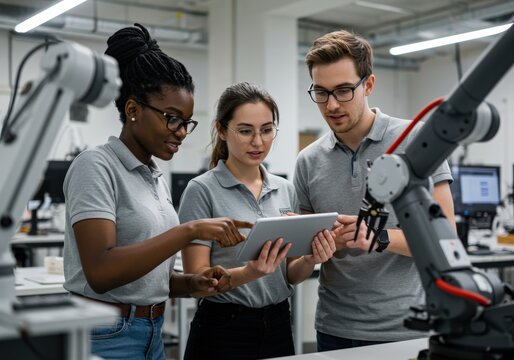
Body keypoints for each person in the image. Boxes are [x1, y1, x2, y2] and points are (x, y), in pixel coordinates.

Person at [63, 24, 252, 360]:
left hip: (153, 331)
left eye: (187, 122)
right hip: (107, 334)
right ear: (133, 110)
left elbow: (148, 278)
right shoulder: (95, 166)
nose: (181, 132)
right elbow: (101, 272)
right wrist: (189, 231)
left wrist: (191, 283)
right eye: (171, 118)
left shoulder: (153, 175)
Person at [294, 30, 456, 351]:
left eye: (343, 90)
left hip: (407, 327)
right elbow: (295, 269)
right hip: (334, 328)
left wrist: (377, 238)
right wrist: (312, 251)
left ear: (368, 85)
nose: (332, 105)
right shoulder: (308, 161)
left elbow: (446, 238)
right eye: (321, 92)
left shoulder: (416, 140)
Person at [178, 82, 337, 360]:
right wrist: (250, 273)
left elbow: (289, 275)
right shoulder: (201, 190)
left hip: (277, 325)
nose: (258, 142)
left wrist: (311, 259)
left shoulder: (284, 188)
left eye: (266, 130)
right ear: (221, 130)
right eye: (245, 131)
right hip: (223, 329)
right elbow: (196, 280)